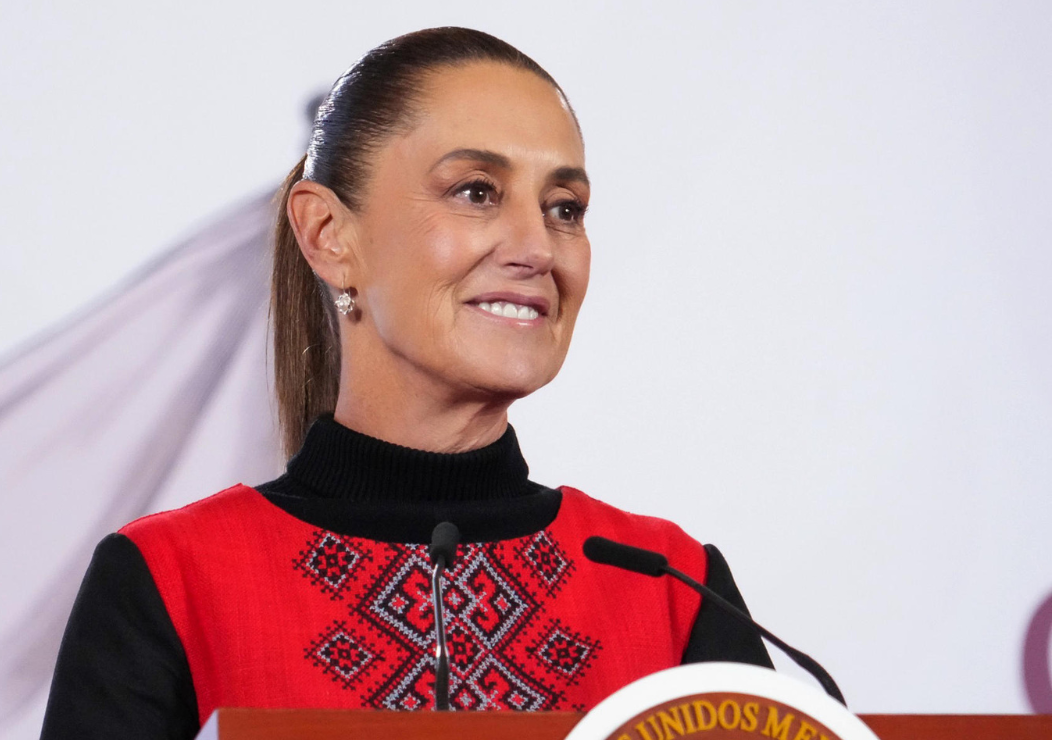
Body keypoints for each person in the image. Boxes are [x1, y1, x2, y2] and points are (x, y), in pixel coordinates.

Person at [40, 26, 771, 740]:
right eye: (477, 191)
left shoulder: (673, 588)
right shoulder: (171, 580)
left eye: (564, 209)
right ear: (328, 234)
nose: (537, 249)